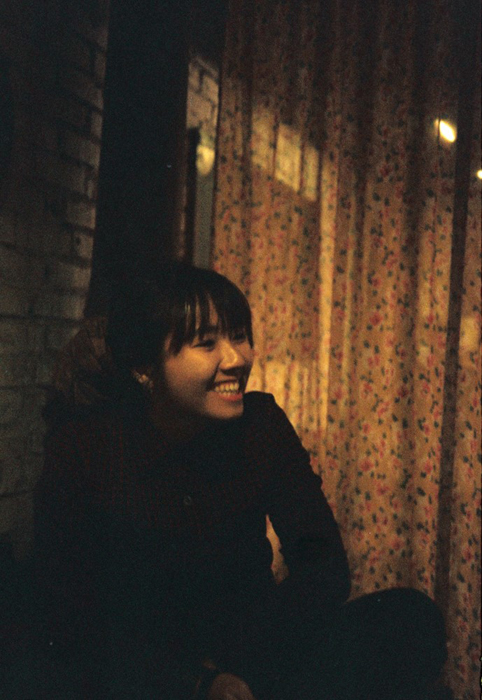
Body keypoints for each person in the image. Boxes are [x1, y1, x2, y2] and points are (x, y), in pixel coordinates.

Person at [33, 262, 448, 700]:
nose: (237, 359)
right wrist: (197, 683)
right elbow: (71, 616)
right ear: (144, 365)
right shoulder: (87, 451)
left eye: (239, 336)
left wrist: (245, 669)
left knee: (411, 619)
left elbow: (322, 566)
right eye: (207, 343)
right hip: (152, 674)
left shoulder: (260, 426)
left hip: (260, 656)